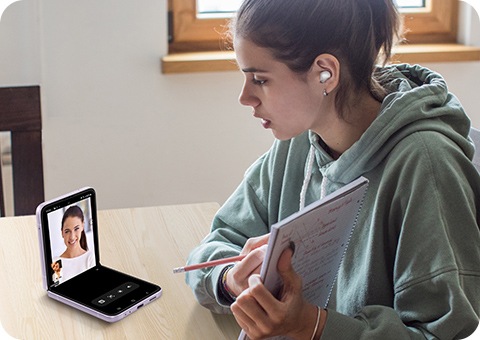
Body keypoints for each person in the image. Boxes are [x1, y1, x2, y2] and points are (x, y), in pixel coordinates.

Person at [185, 0, 480, 339]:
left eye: (260, 79)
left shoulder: (426, 165)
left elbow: (438, 333)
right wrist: (230, 279)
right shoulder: (300, 141)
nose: (245, 97)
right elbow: (217, 242)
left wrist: (313, 325)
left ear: (325, 72)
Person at [54, 205, 95, 283]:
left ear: (83, 226)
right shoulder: (56, 262)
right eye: (67, 231)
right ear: (62, 233)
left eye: (76, 229)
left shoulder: (90, 258)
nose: (72, 237)